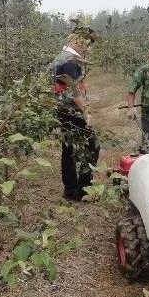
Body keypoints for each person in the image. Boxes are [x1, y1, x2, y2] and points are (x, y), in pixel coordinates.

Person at [52, 28, 100, 201]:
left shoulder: (60, 57)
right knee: (92, 146)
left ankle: (70, 189)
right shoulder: (70, 60)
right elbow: (75, 90)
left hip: (62, 110)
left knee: (68, 149)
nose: (86, 49)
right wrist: (86, 112)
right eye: (85, 45)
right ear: (76, 42)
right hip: (73, 111)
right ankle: (82, 190)